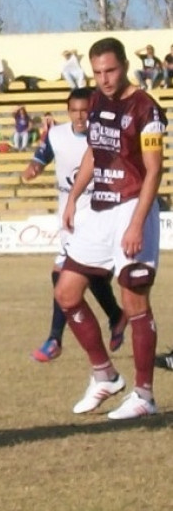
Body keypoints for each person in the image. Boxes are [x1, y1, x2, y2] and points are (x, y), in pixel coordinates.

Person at [55, 37, 166, 420]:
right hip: (100, 207)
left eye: (111, 70)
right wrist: (73, 197)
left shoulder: (146, 108)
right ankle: (104, 375)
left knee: (134, 301)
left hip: (133, 205)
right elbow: (93, 152)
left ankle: (144, 396)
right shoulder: (98, 100)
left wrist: (137, 224)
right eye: (98, 72)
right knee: (66, 293)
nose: (103, 79)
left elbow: (154, 169)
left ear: (124, 66)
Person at [21, 88, 125, 363]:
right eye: (74, 111)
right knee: (91, 276)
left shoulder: (104, 134)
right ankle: (116, 316)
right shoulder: (56, 135)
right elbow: (40, 158)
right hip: (69, 216)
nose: (80, 117)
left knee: (62, 274)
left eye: (85, 111)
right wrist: (32, 169)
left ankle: (55, 338)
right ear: (68, 112)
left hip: (98, 215)